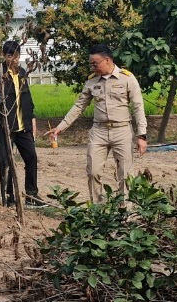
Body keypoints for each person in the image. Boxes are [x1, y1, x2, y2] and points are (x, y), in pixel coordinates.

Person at [45, 44, 148, 203]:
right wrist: (60, 127)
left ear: (107, 60)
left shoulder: (127, 78)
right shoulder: (92, 81)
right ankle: (98, 211)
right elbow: (79, 106)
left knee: (126, 174)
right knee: (93, 172)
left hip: (122, 131)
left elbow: (138, 107)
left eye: (95, 63)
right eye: (91, 64)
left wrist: (142, 135)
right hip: (98, 131)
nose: (92, 67)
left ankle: (125, 212)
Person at [0, 40, 42, 208]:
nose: (14, 59)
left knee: (31, 157)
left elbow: (27, 97)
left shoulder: (22, 72)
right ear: (4, 56)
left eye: (17, 55)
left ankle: (32, 195)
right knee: (8, 161)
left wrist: (32, 118)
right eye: (10, 55)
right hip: (7, 125)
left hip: (23, 125)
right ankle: (10, 196)